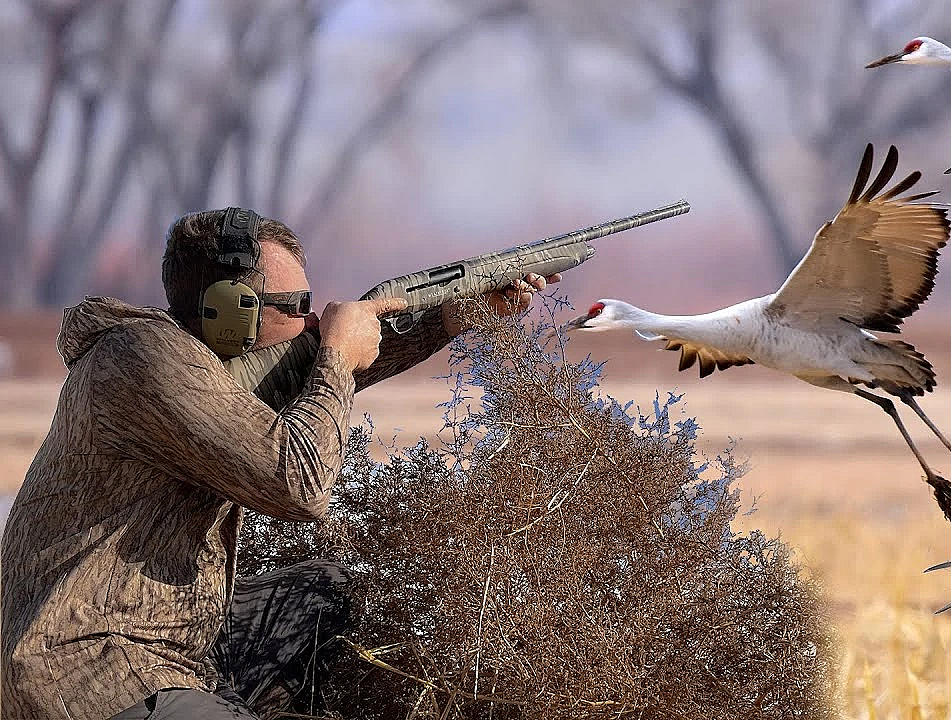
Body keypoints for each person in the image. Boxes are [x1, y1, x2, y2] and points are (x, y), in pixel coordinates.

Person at [0, 207, 557, 719]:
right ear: (229, 311)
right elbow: (299, 485)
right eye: (295, 305)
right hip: (85, 665)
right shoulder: (146, 360)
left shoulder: (195, 362)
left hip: (168, 636)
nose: (310, 320)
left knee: (328, 595)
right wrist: (336, 357)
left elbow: (305, 368)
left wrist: (454, 315)